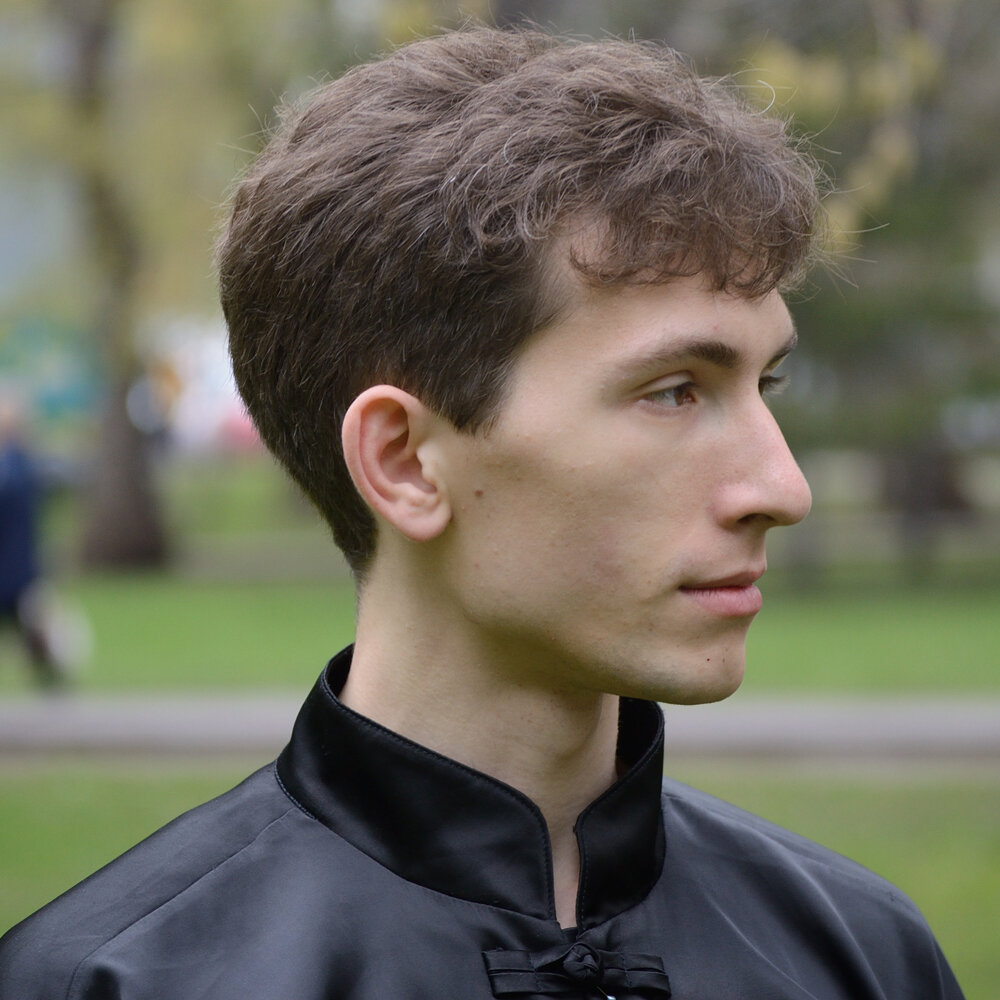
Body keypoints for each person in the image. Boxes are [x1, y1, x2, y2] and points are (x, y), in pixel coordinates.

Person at [0, 26, 965, 999]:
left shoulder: (866, 959)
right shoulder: (111, 983)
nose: (783, 489)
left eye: (767, 382)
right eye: (674, 391)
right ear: (405, 460)